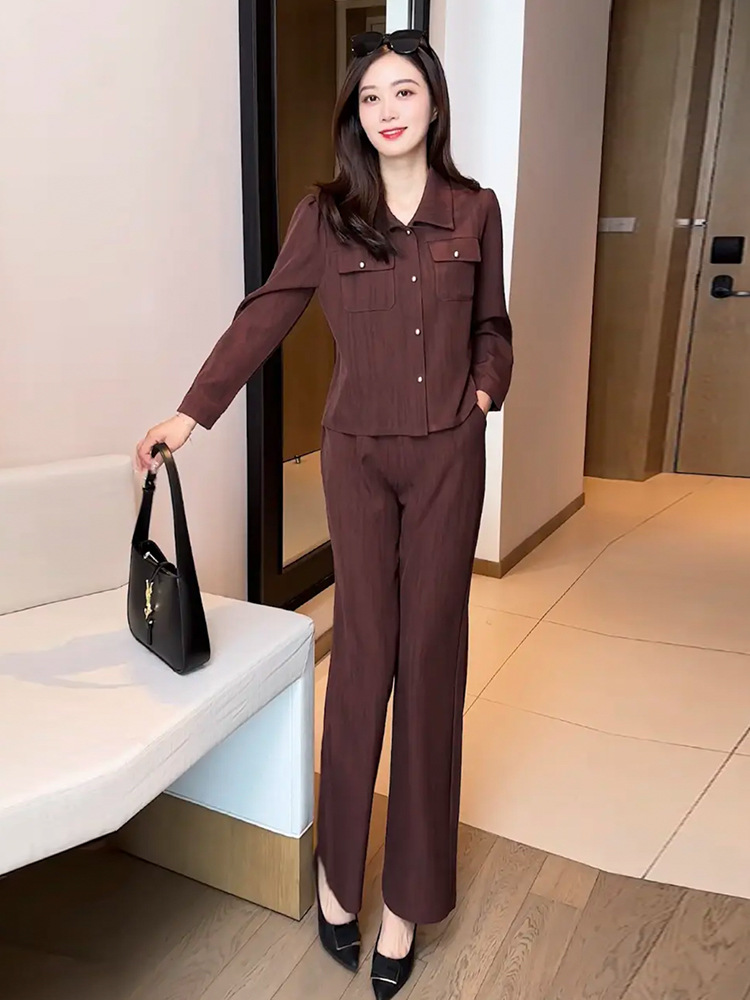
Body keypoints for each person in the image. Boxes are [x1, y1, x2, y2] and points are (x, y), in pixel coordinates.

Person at [135, 28, 512, 1000]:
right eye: (370, 97)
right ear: (356, 115)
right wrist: (190, 414)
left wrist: (483, 391)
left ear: (433, 103)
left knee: (430, 668)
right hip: (356, 459)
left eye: (404, 91)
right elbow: (265, 314)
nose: (387, 110)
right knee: (361, 665)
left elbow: (493, 325)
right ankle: (340, 880)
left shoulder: (475, 209)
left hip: (448, 457)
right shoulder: (326, 216)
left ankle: (406, 905)